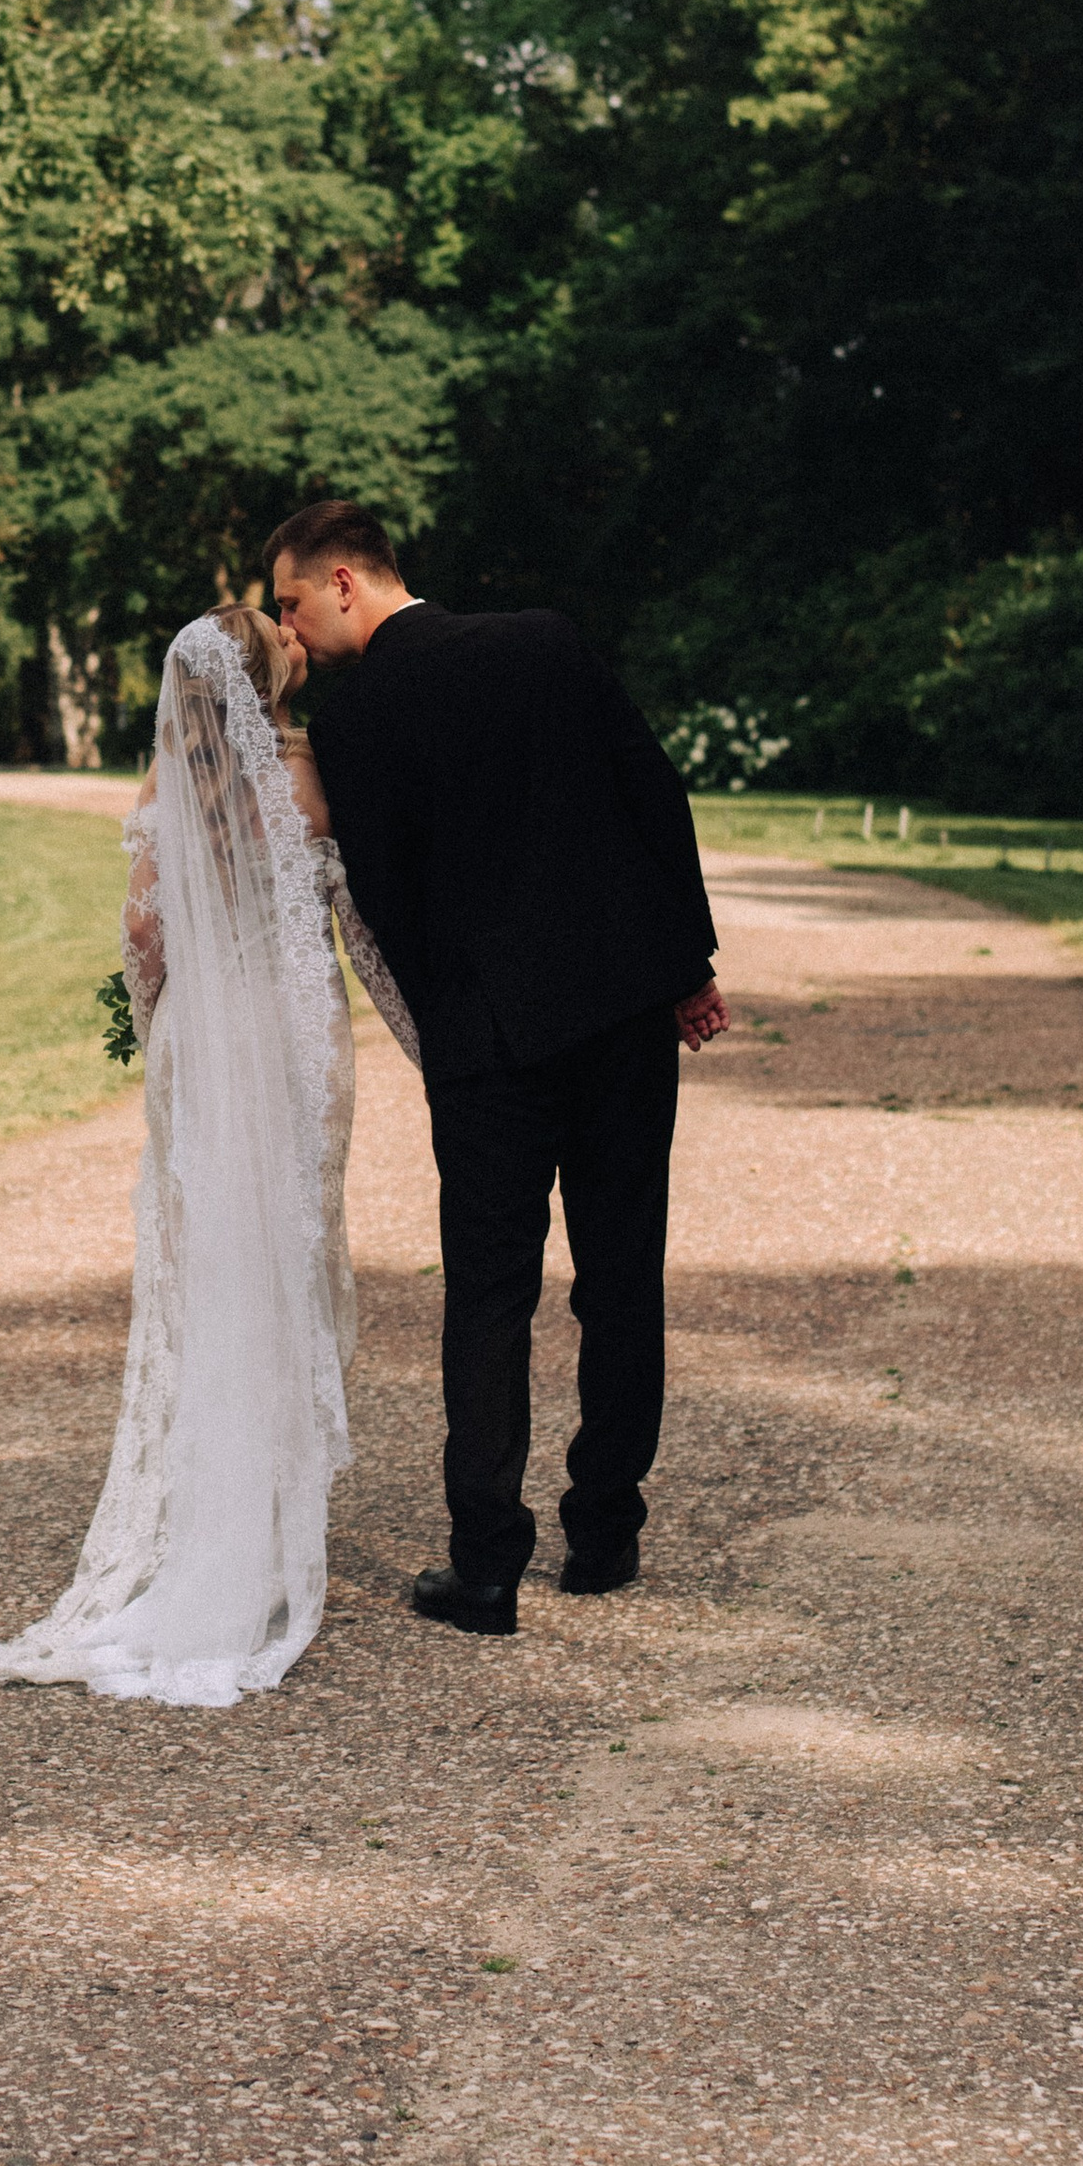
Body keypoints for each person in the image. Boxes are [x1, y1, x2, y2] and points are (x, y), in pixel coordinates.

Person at [267, 499, 727, 1637]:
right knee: (622, 1268)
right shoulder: (546, 639)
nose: (288, 630)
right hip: (620, 1009)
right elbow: (650, 792)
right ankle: (606, 1534)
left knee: (489, 1294)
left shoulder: (354, 714)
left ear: (342, 581)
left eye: (289, 602)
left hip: (487, 1044)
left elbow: (386, 893)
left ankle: (484, 1568)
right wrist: (687, 963)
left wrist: (445, 1025)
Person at [0, 604, 417, 1709]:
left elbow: (143, 935)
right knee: (289, 1264)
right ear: (270, 682)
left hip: (202, 1043)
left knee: (201, 1273)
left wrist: (151, 1022)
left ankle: (207, 1531)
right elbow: (357, 930)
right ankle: (272, 1539)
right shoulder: (313, 778)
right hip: (296, 1046)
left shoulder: (167, 783)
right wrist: (419, 1038)